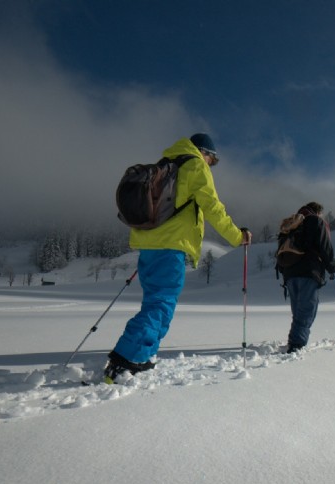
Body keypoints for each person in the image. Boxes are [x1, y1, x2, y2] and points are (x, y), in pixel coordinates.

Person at [104, 133, 252, 383]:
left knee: (155, 302)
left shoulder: (166, 164)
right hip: (170, 246)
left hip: (149, 245)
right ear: (205, 152)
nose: (210, 164)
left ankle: (144, 356)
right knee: (160, 304)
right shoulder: (195, 166)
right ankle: (124, 360)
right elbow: (213, 207)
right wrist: (237, 236)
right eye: (212, 160)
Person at [277, 202, 335, 353]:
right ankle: (296, 345)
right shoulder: (314, 221)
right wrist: (332, 266)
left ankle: (295, 340)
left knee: (299, 310)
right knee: (306, 310)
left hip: (290, 273)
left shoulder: (292, 225)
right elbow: (324, 246)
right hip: (308, 271)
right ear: (318, 212)